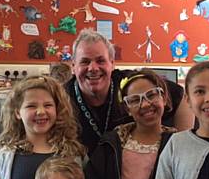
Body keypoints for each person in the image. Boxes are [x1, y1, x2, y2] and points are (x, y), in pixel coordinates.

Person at [66, 28, 194, 152]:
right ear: (73, 66)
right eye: (85, 62)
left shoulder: (132, 84)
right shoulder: (61, 97)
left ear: (112, 63)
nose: (93, 68)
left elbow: (181, 95)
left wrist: (181, 148)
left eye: (100, 61)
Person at [0, 75, 85, 179]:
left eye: (48, 105)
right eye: (31, 106)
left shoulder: (72, 154)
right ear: (17, 113)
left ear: (57, 110)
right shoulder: (5, 156)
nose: (41, 111)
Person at [85, 69, 176, 179]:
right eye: (134, 100)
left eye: (151, 95)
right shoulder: (110, 145)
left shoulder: (176, 146)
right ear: (127, 108)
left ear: (164, 98)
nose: (145, 104)